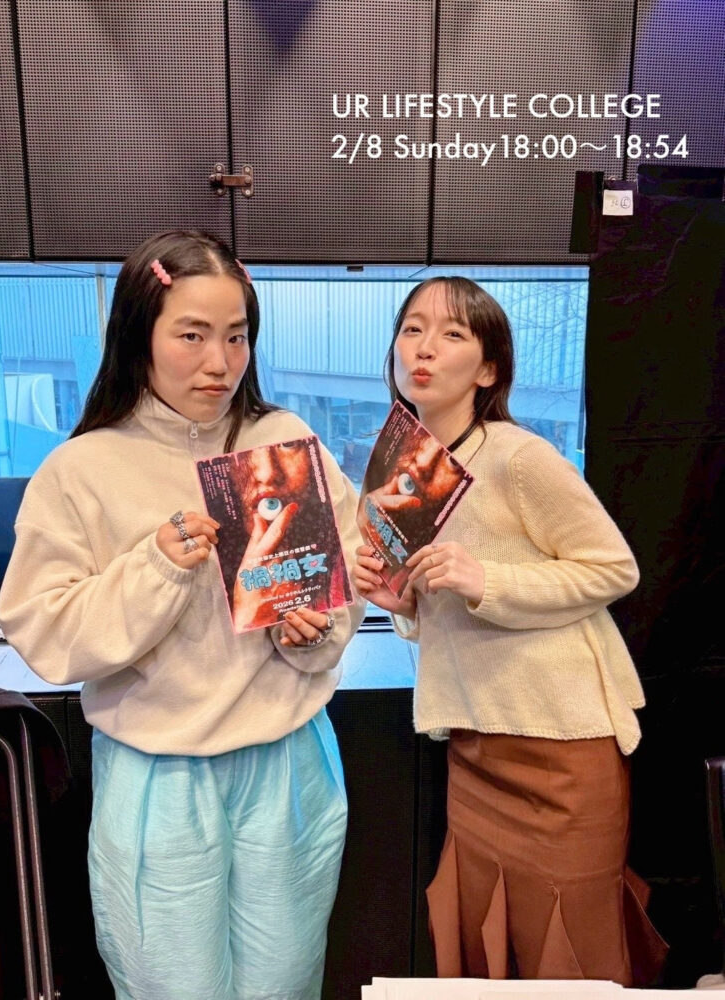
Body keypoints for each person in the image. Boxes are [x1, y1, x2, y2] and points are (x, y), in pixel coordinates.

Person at [0, 230, 365, 1000]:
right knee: (171, 987)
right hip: (158, 775)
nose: (219, 363)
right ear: (140, 333)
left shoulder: (282, 442)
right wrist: (156, 567)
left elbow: (343, 582)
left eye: (236, 336)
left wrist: (310, 627)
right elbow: (46, 633)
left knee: (288, 983)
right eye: (192, 335)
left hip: (288, 761)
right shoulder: (82, 469)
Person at [352, 276, 668, 984]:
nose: (424, 348)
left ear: (489, 369)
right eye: (412, 329)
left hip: (563, 745)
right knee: (482, 943)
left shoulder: (518, 456)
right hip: (474, 744)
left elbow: (613, 569)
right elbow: (436, 611)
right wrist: (400, 601)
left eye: (452, 334)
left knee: (570, 951)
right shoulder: (399, 469)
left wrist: (487, 580)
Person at [211, 437, 353, 632]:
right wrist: (249, 617)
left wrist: (323, 635)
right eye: (238, 455)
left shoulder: (338, 558)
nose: (267, 473)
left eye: (288, 446)